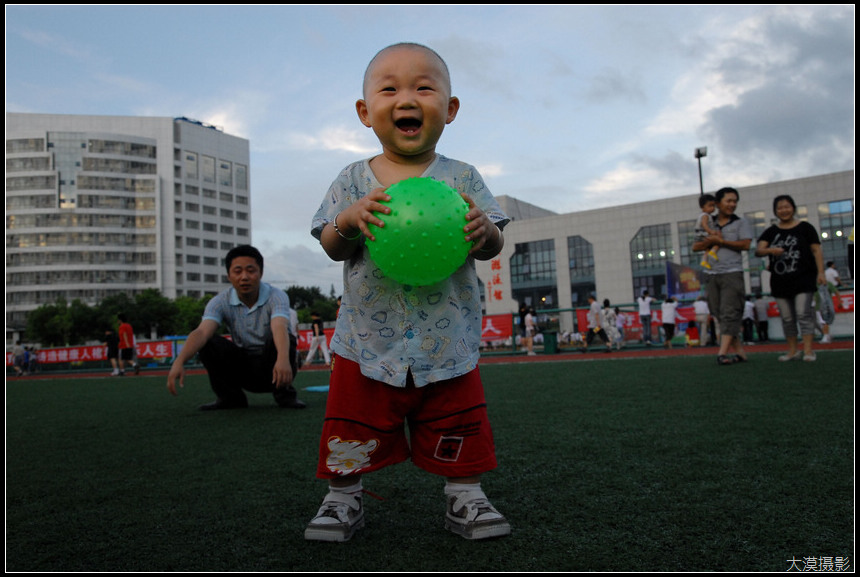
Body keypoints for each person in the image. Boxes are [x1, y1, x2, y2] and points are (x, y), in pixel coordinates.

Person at [305, 42, 510, 543]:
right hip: (366, 340)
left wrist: (483, 230)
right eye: (389, 88)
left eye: (424, 87)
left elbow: (493, 244)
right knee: (352, 421)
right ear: (365, 112)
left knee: (456, 417)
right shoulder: (351, 180)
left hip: (449, 341)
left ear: (450, 108)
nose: (407, 98)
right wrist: (349, 220)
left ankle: (465, 494)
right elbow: (332, 245)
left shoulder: (463, 178)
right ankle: (342, 497)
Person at [166, 245, 306, 410]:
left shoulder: (276, 296)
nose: (244, 277)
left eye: (250, 270)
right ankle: (230, 398)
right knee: (208, 343)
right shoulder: (220, 301)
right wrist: (179, 361)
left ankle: (285, 394)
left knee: (282, 338)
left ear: (260, 273)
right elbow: (202, 332)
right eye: (238, 271)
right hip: (243, 367)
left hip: (274, 366)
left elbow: (279, 326)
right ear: (229, 276)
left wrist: (283, 360)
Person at [755, 194, 825, 362]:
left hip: (804, 278)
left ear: (793, 208)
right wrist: (772, 251)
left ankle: (808, 351)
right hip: (780, 281)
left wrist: (821, 273)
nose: (784, 210)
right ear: (775, 211)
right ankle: (792, 351)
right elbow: (758, 251)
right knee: (787, 318)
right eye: (780, 208)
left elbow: (816, 251)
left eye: (787, 206)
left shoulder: (806, 228)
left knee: (803, 314)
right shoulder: (771, 231)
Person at [692, 186, 754, 365]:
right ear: (718, 203)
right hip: (711, 274)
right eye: (728, 201)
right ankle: (740, 352)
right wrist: (710, 241)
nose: (732, 204)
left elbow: (745, 245)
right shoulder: (708, 222)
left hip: (731, 273)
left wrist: (721, 242)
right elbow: (695, 246)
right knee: (718, 312)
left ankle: (722, 353)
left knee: (729, 312)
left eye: (735, 201)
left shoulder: (740, 222)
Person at [696, 194, 721, 270]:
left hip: (700, 234)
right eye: (710, 206)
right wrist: (710, 231)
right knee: (719, 239)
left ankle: (704, 260)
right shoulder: (705, 215)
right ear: (702, 207)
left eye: (713, 206)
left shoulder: (703, 215)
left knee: (707, 248)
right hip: (703, 233)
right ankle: (713, 251)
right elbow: (704, 224)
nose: (712, 208)